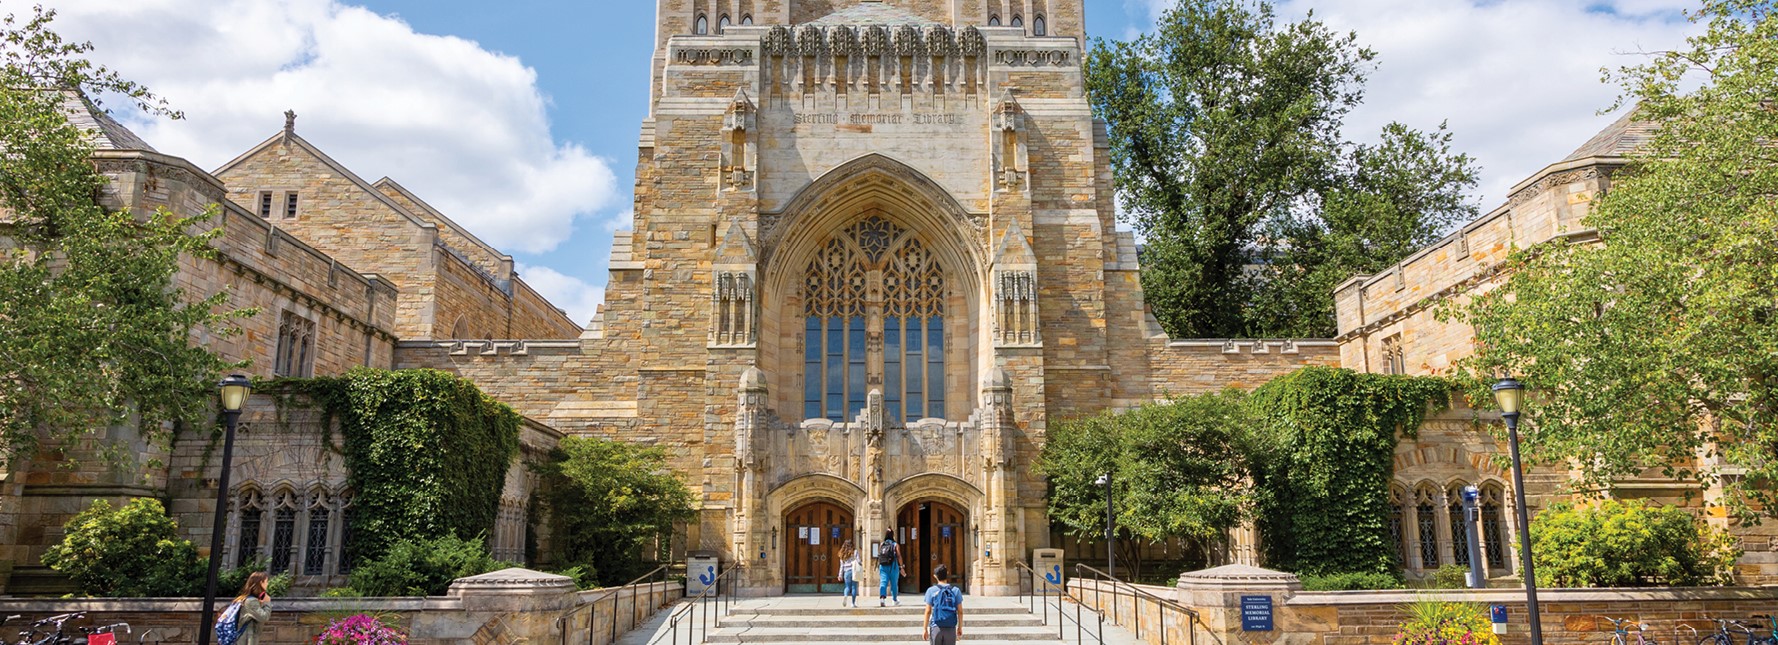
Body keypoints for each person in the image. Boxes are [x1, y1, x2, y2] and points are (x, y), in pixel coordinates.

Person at [922, 564, 963, 645]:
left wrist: (925, 628)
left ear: (935, 576)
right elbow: (960, 611)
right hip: (951, 627)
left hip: (936, 626)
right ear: (947, 574)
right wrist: (960, 627)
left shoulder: (931, 591)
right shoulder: (956, 590)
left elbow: (928, 611)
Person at [234, 571, 272, 645]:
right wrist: (267, 603)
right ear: (261, 582)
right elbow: (264, 617)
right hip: (247, 637)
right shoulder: (250, 601)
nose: (267, 584)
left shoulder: (248, 599)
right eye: (266, 581)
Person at [877, 529, 905, 606]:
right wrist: (901, 566)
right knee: (894, 583)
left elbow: (879, 554)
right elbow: (899, 556)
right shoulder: (895, 545)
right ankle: (894, 599)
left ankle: (882, 598)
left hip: (883, 565)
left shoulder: (882, 544)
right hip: (893, 566)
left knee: (883, 582)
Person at [836, 539, 860, 607]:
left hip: (846, 572)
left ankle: (845, 595)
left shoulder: (842, 554)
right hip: (854, 571)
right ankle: (853, 603)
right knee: (854, 587)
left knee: (847, 587)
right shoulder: (854, 552)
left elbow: (842, 566)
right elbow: (859, 561)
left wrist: (840, 575)